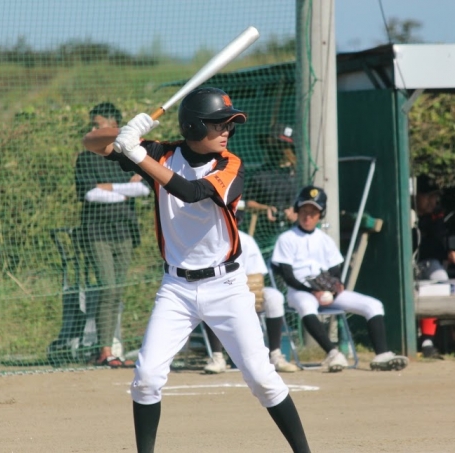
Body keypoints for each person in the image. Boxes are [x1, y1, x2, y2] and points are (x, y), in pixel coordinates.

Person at [82, 87, 311, 452]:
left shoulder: (230, 165)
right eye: (218, 124)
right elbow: (91, 142)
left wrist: (137, 154)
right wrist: (125, 133)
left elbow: (190, 192)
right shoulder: (162, 153)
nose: (227, 131)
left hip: (227, 287)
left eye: (229, 125)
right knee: (146, 378)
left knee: (262, 379)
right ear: (193, 126)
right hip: (177, 289)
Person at [271, 185, 409, 372]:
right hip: (299, 291)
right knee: (306, 305)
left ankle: (382, 355)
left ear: (321, 214)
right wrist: (312, 291)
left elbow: (335, 272)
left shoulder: (325, 240)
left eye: (313, 212)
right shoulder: (286, 238)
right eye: (304, 211)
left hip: (325, 292)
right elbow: (287, 276)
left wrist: (334, 289)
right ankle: (333, 353)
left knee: (374, 305)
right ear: (297, 210)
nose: (308, 216)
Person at [75, 102, 151, 368]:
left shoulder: (128, 155)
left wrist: (109, 187)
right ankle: (104, 350)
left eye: (97, 124)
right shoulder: (85, 158)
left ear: (113, 125)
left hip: (125, 231)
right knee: (107, 287)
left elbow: (144, 190)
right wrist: (124, 189)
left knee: (117, 290)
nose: (92, 129)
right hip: (96, 233)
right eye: (92, 125)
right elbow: (90, 194)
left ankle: (113, 349)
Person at [203, 210, 299, 374]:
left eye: (235, 218)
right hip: (217, 291)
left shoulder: (246, 241)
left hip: (245, 290)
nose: (232, 222)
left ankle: (275, 355)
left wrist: (244, 292)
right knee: (208, 298)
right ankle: (217, 357)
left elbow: (256, 277)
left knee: (275, 297)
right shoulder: (207, 242)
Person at [414, 174, 455, 358]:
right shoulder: (407, 213)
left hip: (427, 265)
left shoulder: (435, 217)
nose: (432, 201)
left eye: (434, 196)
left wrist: (447, 254)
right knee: (438, 277)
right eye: (427, 196)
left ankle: (428, 341)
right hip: (408, 267)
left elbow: (436, 245)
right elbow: (419, 246)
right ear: (415, 196)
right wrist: (449, 254)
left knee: (440, 279)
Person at [244, 124, 299, 249]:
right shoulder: (261, 174)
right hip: (265, 236)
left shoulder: (299, 174)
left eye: (284, 146)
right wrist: (266, 209)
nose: (280, 150)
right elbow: (249, 203)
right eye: (277, 144)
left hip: (293, 234)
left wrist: (295, 213)